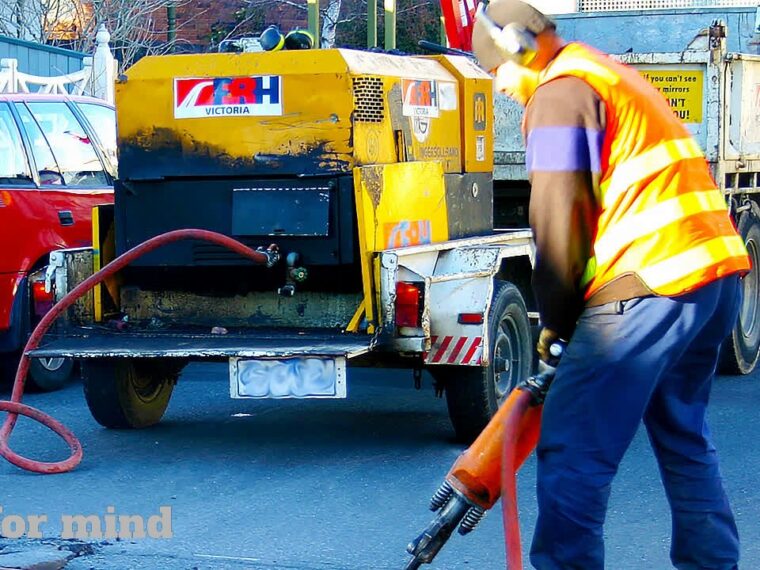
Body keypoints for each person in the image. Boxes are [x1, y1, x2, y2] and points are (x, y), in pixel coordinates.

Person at [471, 1, 751, 569]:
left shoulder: (560, 95)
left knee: (574, 451)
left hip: (647, 287)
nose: (499, 87)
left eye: (496, 71)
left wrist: (556, 320)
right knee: (684, 439)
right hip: (711, 280)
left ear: (518, 50)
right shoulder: (609, 75)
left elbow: (558, 218)